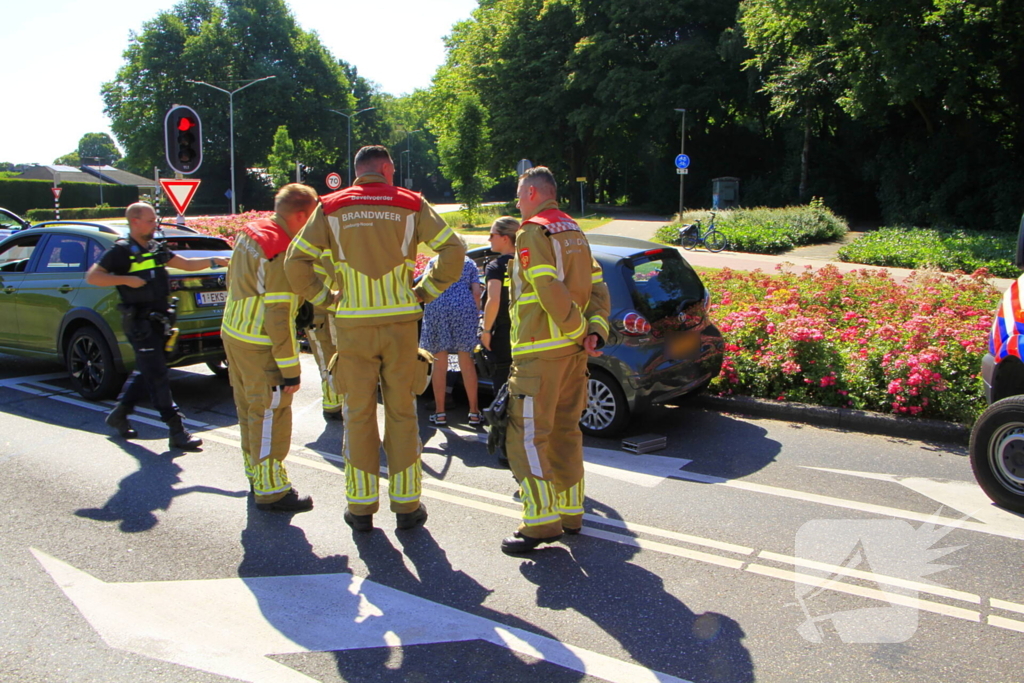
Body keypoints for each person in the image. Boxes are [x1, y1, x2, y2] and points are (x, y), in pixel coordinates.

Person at [285, 145, 466, 533]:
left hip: (353, 327)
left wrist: (326, 298)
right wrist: (425, 290)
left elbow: (295, 261)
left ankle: (361, 508)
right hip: (401, 325)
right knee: (402, 413)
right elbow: (454, 249)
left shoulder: (331, 206)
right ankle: (407, 507)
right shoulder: (410, 203)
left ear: (358, 171)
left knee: (358, 415)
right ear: (385, 168)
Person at [500, 167, 610, 555]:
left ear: (533, 192)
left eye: (519, 195)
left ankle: (541, 522)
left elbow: (546, 287)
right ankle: (570, 513)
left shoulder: (534, 231)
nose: (517, 203)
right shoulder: (574, 230)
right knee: (566, 432)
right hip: (573, 355)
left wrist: (577, 329)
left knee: (526, 436)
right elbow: (598, 287)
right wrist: (594, 331)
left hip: (540, 352)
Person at [88, 201, 229, 451]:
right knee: (158, 375)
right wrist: (126, 280)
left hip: (160, 321)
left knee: (149, 370)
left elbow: (186, 265)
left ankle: (120, 413)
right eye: (151, 220)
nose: (155, 224)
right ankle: (177, 430)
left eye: (155, 220)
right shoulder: (121, 251)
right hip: (140, 323)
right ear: (135, 221)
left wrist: (214, 260)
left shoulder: (155, 247)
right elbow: (93, 277)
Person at [221, 184, 319, 513]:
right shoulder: (283, 252)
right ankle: (271, 489)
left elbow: (233, 279)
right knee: (271, 415)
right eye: (313, 218)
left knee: (249, 410)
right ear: (301, 216)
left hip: (234, 332)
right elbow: (278, 318)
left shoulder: (252, 232)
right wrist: (290, 371)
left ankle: (255, 475)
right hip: (261, 344)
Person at [420, 254, 482, 428]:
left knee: (439, 363)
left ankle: (440, 413)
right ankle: (474, 412)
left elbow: (424, 287)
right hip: (463, 309)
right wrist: (475, 314)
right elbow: (477, 292)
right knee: (467, 362)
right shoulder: (469, 262)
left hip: (437, 307)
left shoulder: (435, 261)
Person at [480, 216, 520, 393]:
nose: (489, 239)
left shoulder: (496, 266)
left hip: (503, 332)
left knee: (502, 383)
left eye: (492, 235)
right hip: (527, 329)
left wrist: (486, 331)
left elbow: (493, 300)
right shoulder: (529, 262)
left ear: (505, 238)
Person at [304, 249, 344, 422]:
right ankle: (332, 405)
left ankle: (334, 403)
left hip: (326, 312)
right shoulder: (327, 245)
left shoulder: (317, 243)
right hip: (325, 314)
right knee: (328, 359)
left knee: (330, 358)